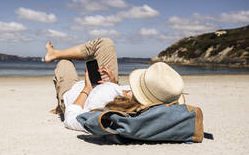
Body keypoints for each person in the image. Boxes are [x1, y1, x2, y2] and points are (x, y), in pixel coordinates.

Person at [44, 37, 185, 132]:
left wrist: (87, 89)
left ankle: (59, 104)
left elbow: (72, 119)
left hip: (73, 94)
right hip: (104, 84)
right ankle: (55, 53)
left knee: (64, 63)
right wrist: (114, 84)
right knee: (105, 43)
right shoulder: (152, 93)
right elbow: (125, 93)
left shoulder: (109, 108)